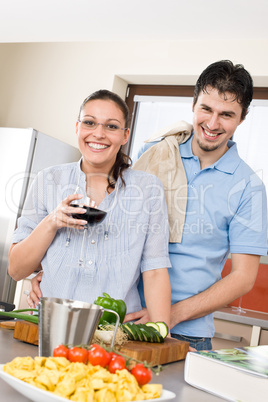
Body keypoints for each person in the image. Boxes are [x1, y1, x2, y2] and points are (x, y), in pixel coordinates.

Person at [127, 60, 267, 350]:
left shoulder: (249, 187)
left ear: (242, 118)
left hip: (186, 332)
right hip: (123, 314)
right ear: (193, 104)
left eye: (226, 114)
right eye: (206, 109)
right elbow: (115, 228)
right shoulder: (155, 153)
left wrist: (168, 316)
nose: (213, 124)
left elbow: (243, 278)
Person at [8, 89, 171, 328]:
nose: (99, 133)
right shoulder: (48, 180)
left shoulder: (148, 189)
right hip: (50, 327)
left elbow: (155, 271)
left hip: (116, 333)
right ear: (77, 127)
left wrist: (161, 333)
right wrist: (52, 222)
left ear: (125, 135)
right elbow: (16, 270)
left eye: (111, 126)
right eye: (89, 122)